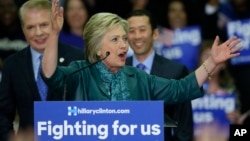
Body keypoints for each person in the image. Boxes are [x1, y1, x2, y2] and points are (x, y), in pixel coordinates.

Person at [43, 0, 241, 135]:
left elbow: (181, 88)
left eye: (123, 38)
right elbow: (50, 74)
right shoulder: (80, 73)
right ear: (96, 47)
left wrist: (212, 62)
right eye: (115, 39)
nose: (123, 45)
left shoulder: (138, 77)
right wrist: (53, 36)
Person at [0, 0, 84, 141]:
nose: (38, 33)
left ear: (55, 22)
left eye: (44, 25)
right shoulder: (12, 64)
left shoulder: (78, 58)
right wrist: (10, 138)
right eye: (31, 27)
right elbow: (3, 113)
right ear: (22, 29)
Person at [125, 9, 193, 141]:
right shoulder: (115, 70)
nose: (137, 36)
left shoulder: (176, 71)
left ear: (155, 34)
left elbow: (184, 127)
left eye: (142, 29)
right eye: (131, 31)